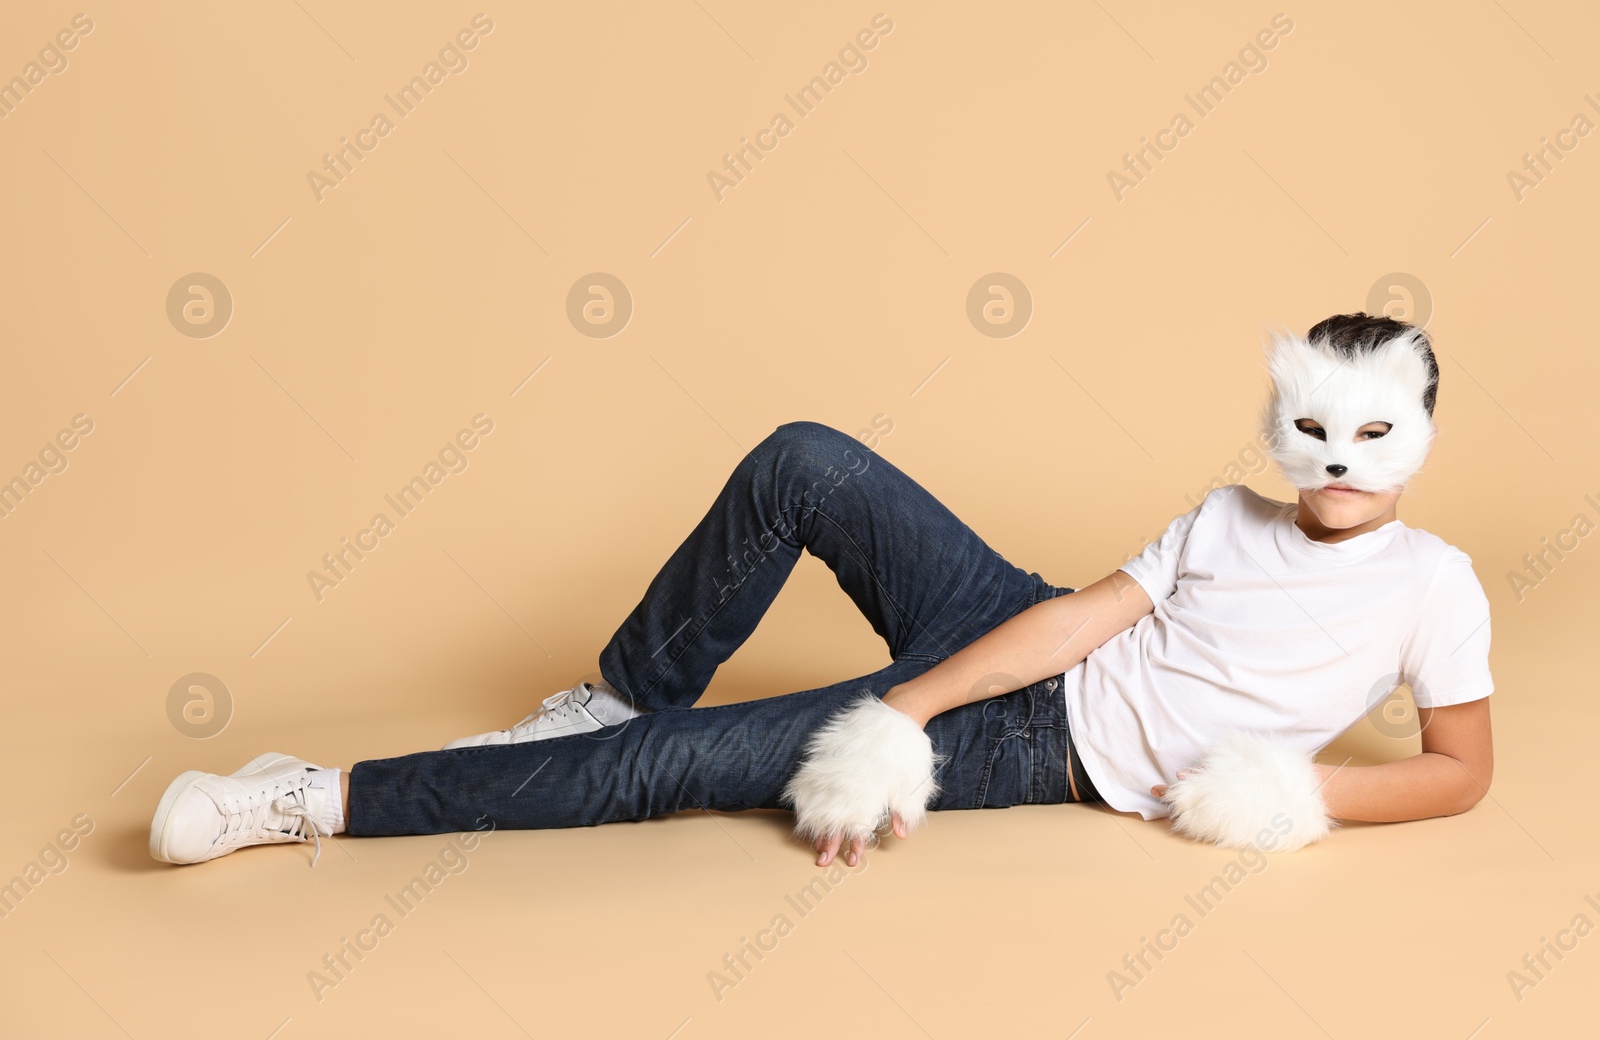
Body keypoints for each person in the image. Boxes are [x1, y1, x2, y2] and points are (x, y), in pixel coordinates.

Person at [148, 312, 1494, 869]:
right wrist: (900, 714)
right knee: (806, 461)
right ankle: (615, 693)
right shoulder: (1223, 518)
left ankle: (305, 799)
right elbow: (1078, 621)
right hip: (1008, 633)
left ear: (1419, 434)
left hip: (1043, 744)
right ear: (1281, 421)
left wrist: (1296, 795)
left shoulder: (1435, 586)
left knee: (667, 775)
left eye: (1374, 436)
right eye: (1318, 427)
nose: (1338, 462)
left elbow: (1459, 771)